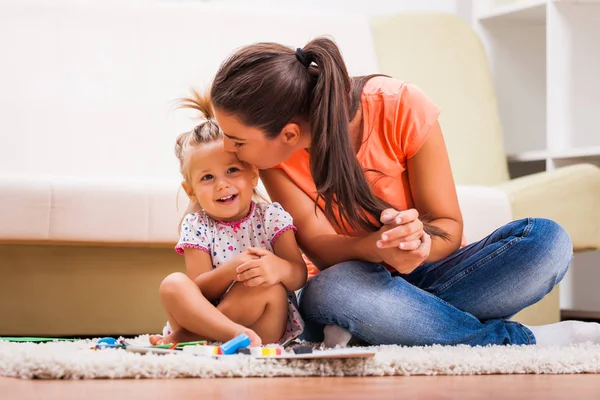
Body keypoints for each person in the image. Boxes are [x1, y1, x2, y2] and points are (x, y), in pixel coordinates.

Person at [208, 36, 600, 347]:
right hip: (356, 286)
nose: (229, 149)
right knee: (333, 290)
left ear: (289, 132)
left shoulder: (400, 106)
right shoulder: (274, 160)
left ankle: (384, 329)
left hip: (434, 275)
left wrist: (419, 244)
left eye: (236, 140)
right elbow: (318, 247)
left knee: (547, 241)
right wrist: (374, 248)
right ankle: (519, 340)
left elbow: (446, 225)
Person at [149, 92, 306, 346]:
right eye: (207, 178)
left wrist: (278, 268)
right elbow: (202, 290)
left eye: (232, 171)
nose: (222, 185)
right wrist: (232, 270)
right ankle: (225, 334)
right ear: (191, 191)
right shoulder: (197, 226)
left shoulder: (272, 218)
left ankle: (192, 339)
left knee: (267, 286)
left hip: (263, 325)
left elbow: (299, 274)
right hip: (210, 318)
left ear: (253, 174)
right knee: (173, 284)